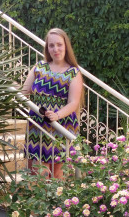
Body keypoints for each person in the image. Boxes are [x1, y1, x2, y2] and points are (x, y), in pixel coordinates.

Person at [22, 28, 83, 179]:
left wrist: (56, 115)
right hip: (37, 126)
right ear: (47, 48)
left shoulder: (73, 73)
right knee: (37, 175)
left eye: (59, 44)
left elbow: (73, 103)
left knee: (57, 177)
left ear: (66, 46)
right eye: (51, 45)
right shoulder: (39, 67)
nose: (56, 49)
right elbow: (24, 92)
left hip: (61, 126)